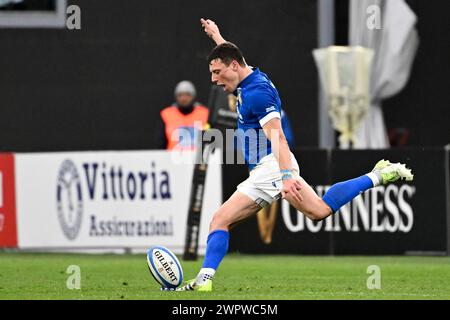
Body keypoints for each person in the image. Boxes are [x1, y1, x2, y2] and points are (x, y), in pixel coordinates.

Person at [176, 18, 413, 292]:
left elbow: (278, 137)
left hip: (272, 167)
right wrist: (217, 36)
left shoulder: (257, 94)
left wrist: (286, 175)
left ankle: (203, 282)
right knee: (319, 211)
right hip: (273, 168)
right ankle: (378, 175)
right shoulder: (246, 74)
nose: (214, 80)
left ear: (233, 67)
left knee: (219, 219)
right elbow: (233, 55)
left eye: (217, 72)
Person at [157, 81, 209, 150]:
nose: (184, 98)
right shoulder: (167, 114)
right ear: (176, 97)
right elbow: (161, 143)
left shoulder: (204, 113)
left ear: (193, 96)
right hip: (172, 157)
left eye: (187, 95)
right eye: (180, 95)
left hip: (198, 158)